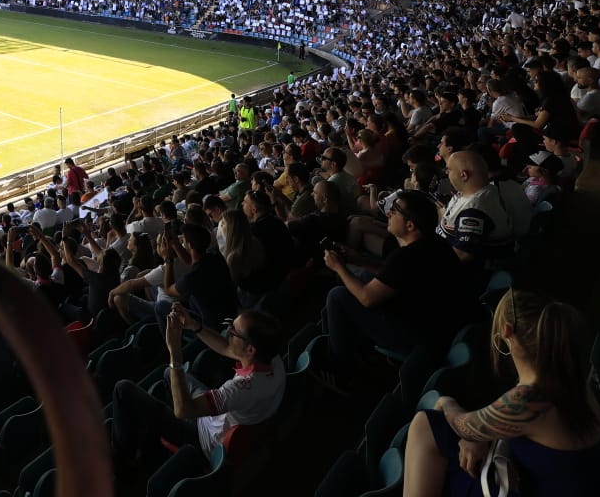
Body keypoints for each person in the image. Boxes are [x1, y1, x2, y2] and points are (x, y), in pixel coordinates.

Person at [402, 290, 600, 497]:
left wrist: (445, 401)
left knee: (423, 424)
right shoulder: (568, 375)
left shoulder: (528, 400)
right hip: (591, 486)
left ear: (506, 332)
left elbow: (462, 425)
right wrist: (485, 435)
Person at [318, 191, 473, 393]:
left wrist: (339, 267)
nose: (389, 213)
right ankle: (357, 346)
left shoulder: (406, 257)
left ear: (410, 225)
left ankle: (340, 372)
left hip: (419, 340)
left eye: (396, 210)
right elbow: (397, 275)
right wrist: (360, 260)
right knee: (364, 276)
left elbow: (367, 298)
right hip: (440, 325)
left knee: (337, 296)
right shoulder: (436, 243)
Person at [110, 305, 285, 468]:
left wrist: (175, 352)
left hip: (203, 439)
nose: (228, 332)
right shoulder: (273, 360)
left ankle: (122, 461)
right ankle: (154, 435)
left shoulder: (240, 389)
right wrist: (195, 326)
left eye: (233, 332)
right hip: (223, 418)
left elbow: (183, 410)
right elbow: (227, 348)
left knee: (122, 389)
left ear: (250, 350)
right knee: (167, 374)